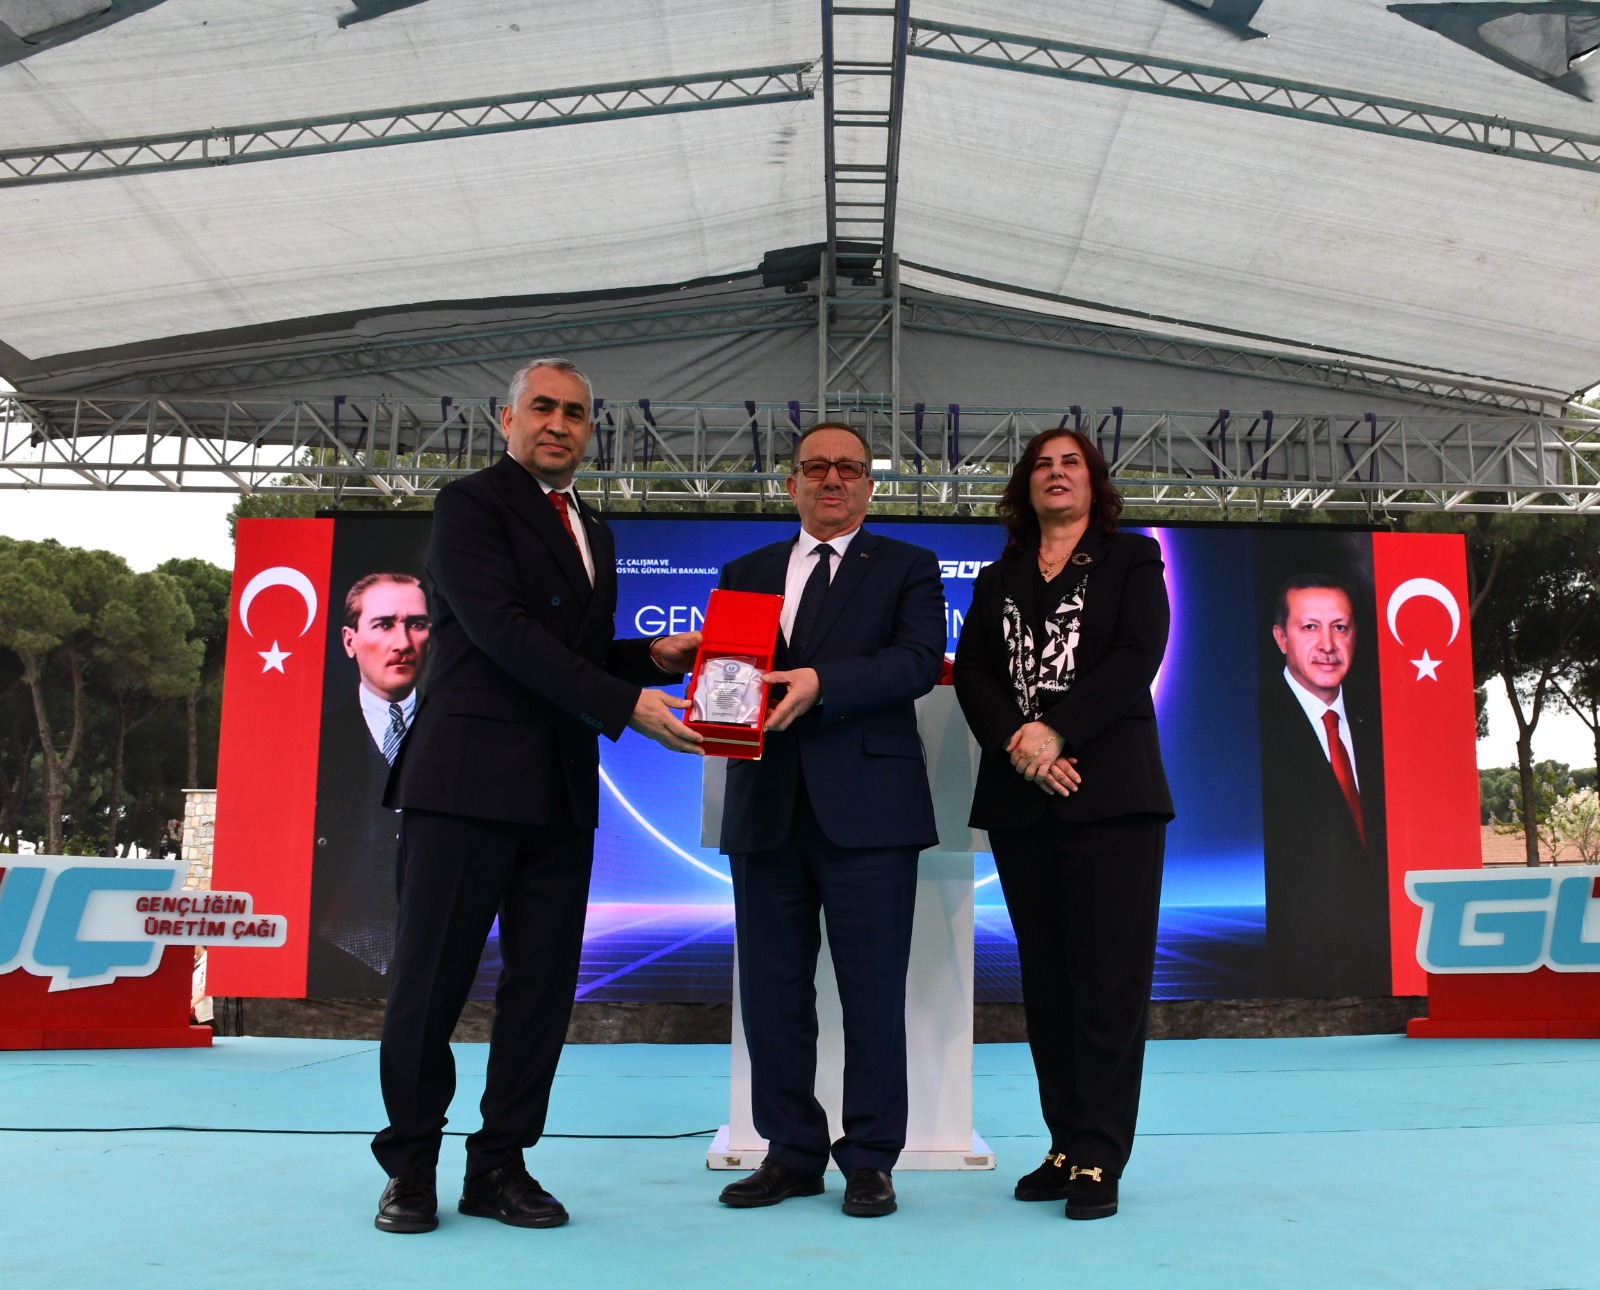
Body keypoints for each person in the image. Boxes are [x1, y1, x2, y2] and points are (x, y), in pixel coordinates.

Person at [370, 356, 703, 1235]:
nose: (560, 424)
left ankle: (500, 1166)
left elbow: (570, 652)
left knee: (543, 990)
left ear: (591, 430)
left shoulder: (597, 527)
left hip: (559, 786)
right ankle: (410, 1166)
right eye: (544, 408)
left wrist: (648, 658)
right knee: (429, 984)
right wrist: (626, 704)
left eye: (576, 413)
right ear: (507, 418)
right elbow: (504, 633)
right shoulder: (468, 505)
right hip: (465, 783)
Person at [713, 422, 945, 1220]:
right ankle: (791, 1153)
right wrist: (713, 705)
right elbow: (729, 679)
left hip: (871, 811)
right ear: (792, 484)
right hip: (764, 807)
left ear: (869, 486)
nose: (832, 480)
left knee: (872, 992)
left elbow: (917, 662)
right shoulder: (744, 571)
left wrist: (821, 682)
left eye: (848, 467)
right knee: (772, 993)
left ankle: (871, 1158)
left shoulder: (909, 566)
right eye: (816, 468)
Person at [952, 427, 1172, 1221]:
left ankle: (1100, 1155)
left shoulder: (1131, 558)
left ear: (1093, 482)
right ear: (1025, 486)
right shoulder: (998, 576)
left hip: (1111, 796)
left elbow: (1136, 655)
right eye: (1042, 465)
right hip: (1022, 796)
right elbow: (974, 671)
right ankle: (1065, 1142)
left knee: (1108, 982)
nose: (1055, 474)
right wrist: (1021, 742)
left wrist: (1058, 731)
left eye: (1070, 463)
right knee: (1047, 984)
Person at [1258, 574, 1389, 996]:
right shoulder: (1253, 726)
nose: (1327, 645)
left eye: (1340, 627)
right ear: (1281, 638)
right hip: (1293, 975)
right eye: (1310, 627)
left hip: (1381, 963)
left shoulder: (1384, 720)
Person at [308, 572, 430, 997]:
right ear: (349, 640)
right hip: (331, 960)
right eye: (383, 624)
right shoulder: (314, 739)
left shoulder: (462, 737)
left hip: (439, 960)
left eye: (416, 624)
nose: (402, 642)